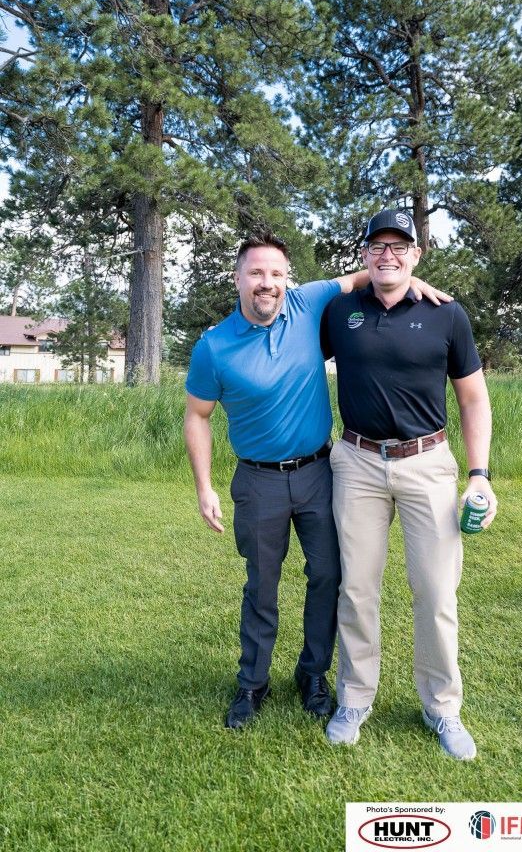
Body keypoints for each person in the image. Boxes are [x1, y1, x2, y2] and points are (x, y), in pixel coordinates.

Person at [183, 228, 449, 730]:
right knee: (262, 584)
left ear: (289, 279)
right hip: (257, 482)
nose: (268, 283)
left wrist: (418, 284)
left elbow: (372, 273)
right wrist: (204, 486)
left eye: (277, 274)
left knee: (329, 577)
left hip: (320, 474)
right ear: (237, 278)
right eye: (257, 273)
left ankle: (313, 675)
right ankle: (252, 683)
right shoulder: (213, 347)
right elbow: (196, 416)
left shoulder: (307, 304)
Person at [321, 208, 497, 759]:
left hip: (428, 464)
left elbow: (473, 398)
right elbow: (287, 311)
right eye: (378, 246)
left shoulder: (447, 315)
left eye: (400, 247)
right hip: (357, 462)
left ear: (417, 255)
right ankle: (354, 697)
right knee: (357, 588)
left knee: (437, 592)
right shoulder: (339, 311)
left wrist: (479, 475)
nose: (388, 255)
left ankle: (442, 708)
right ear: (365, 255)